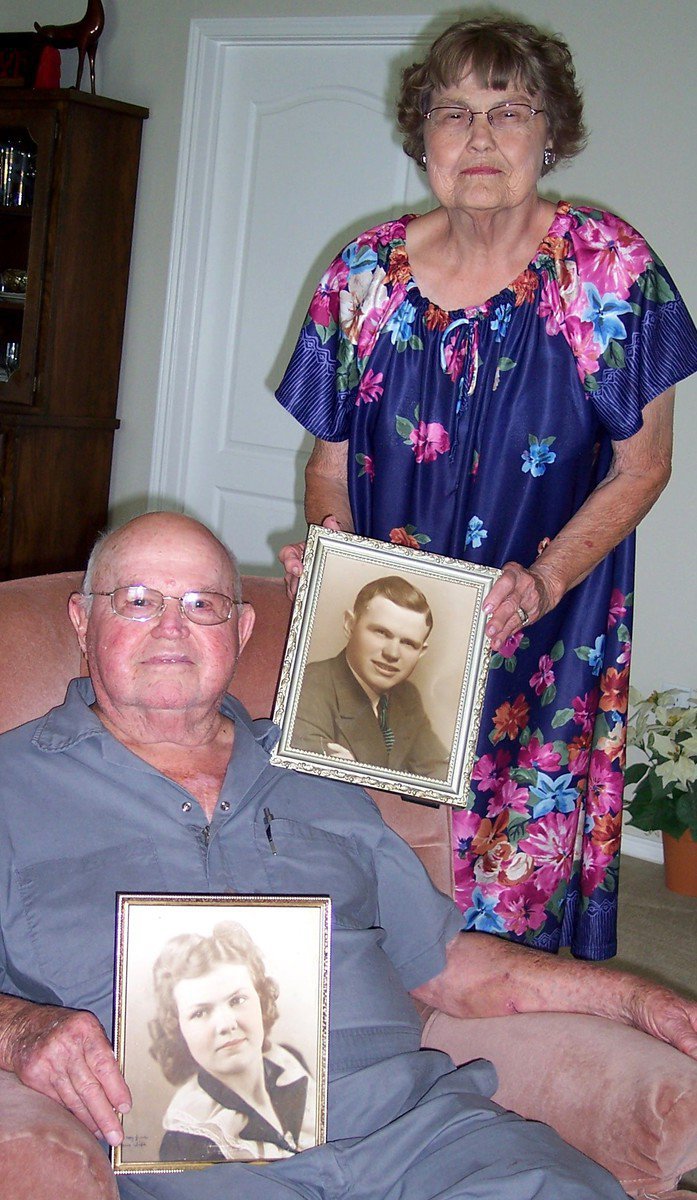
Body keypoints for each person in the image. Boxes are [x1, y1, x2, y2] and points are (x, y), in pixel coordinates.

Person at [0, 511, 696, 1200]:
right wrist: (20, 1030)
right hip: (189, 1157)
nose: (172, 627)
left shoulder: (320, 768)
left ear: (241, 632)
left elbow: (443, 964)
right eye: (138, 600)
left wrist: (634, 1001)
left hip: (412, 1133)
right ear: (82, 621)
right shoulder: (11, 786)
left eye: (202, 604)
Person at [275, 15, 697, 960]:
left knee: (512, 860)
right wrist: (336, 562)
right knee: (372, 854)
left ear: (552, 135)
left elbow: (645, 463)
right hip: (391, 621)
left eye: (509, 112)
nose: (477, 137)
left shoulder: (607, 268)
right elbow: (326, 463)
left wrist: (543, 583)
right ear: (418, 135)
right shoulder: (362, 276)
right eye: (452, 112)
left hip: (543, 618)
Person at [149, 921, 317, 1163]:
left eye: (237, 1000)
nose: (226, 1024)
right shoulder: (188, 1138)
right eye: (200, 1012)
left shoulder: (291, 1063)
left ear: (260, 999)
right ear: (178, 1028)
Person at [292, 575, 449, 778]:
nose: (392, 653)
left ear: (421, 652)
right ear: (350, 624)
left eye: (408, 643)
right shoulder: (307, 687)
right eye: (381, 632)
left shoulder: (407, 696)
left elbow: (439, 773)